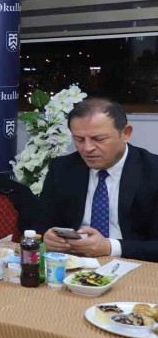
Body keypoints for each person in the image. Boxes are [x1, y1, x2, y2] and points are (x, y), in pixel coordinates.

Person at [40, 98, 158, 262]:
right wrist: (48, 237)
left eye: (99, 139)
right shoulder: (62, 169)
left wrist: (110, 247)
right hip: (73, 261)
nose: (87, 148)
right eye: (79, 140)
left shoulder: (153, 172)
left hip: (134, 262)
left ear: (125, 133)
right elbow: (40, 223)